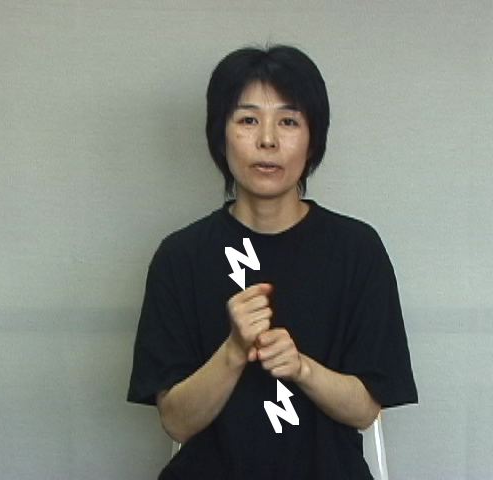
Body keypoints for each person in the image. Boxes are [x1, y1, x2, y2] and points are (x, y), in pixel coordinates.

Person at [127, 45, 418, 479]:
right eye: (248, 120)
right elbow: (177, 422)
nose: (268, 140)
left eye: (288, 121)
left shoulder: (357, 250)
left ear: (313, 139)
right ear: (220, 135)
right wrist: (233, 351)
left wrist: (302, 368)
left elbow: (365, 409)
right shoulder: (180, 257)